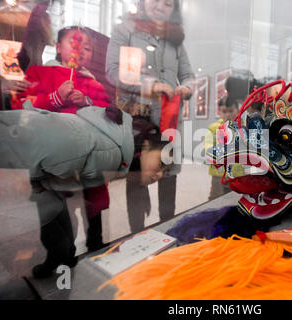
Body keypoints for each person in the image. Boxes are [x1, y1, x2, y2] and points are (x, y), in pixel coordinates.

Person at [0, 106, 133, 278]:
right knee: (52, 207)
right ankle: (69, 254)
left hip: (42, 150)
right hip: (47, 153)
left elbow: (62, 170)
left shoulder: (82, 138)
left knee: (49, 211)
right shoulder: (103, 141)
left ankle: (64, 254)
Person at [14, 26, 111, 252]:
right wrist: (55, 98)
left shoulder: (93, 84)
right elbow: (21, 105)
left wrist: (86, 102)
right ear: (58, 47)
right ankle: (60, 254)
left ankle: (96, 241)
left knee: (94, 196)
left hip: (89, 153)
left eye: (86, 48)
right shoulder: (39, 73)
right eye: (74, 44)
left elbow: (108, 113)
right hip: (52, 152)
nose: (80, 50)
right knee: (54, 203)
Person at [105, 0, 195, 232]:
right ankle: (137, 234)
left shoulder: (176, 39)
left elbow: (188, 74)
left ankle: (169, 230)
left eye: (167, 3)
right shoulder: (125, 30)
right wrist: (151, 85)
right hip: (138, 119)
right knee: (137, 177)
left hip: (169, 119)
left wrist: (187, 87)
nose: (160, 5)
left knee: (168, 176)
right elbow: (113, 72)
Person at [204, 96, 243, 200]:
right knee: (215, 198)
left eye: (231, 111)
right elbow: (208, 146)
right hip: (219, 173)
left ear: (237, 110)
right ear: (220, 112)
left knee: (235, 199)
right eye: (224, 111)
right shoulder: (213, 128)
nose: (228, 114)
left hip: (238, 173)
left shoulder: (243, 127)